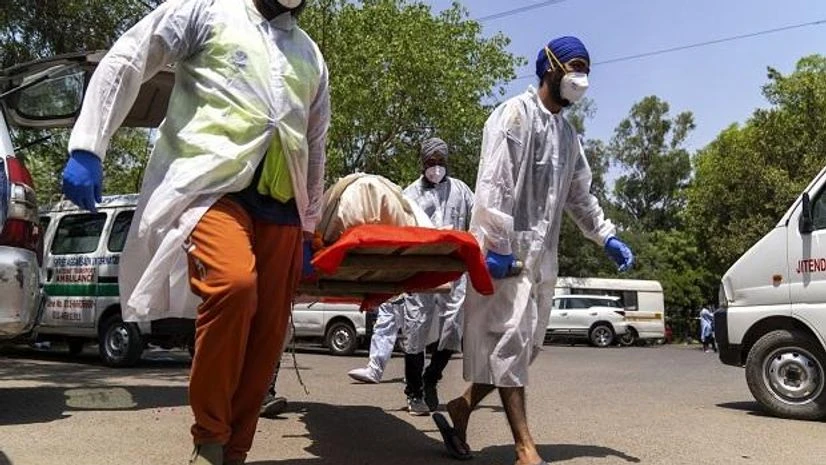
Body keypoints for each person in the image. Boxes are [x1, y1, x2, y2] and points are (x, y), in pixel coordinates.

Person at [60, 0, 330, 463]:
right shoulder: (206, 11)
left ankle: (235, 451)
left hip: (282, 210)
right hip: (211, 192)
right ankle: (209, 438)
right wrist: (89, 145)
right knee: (233, 285)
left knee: (268, 337)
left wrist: (310, 228)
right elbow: (130, 55)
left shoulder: (310, 55)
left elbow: (315, 139)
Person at [431, 37, 634, 465]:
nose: (582, 79)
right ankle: (526, 448)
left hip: (542, 258)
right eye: (576, 67)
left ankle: (463, 406)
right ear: (550, 68)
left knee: (523, 349)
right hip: (504, 253)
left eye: (587, 70)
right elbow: (494, 185)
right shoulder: (514, 116)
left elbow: (579, 195)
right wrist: (498, 244)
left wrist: (605, 235)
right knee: (509, 343)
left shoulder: (567, 134)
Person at [348, 138, 474, 418]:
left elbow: (476, 220)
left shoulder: (461, 191)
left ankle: (432, 377)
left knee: (454, 327)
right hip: (422, 271)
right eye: (432, 162)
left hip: (454, 271)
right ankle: (414, 392)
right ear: (422, 163)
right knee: (416, 331)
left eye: (441, 162)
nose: (437, 168)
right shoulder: (409, 195)